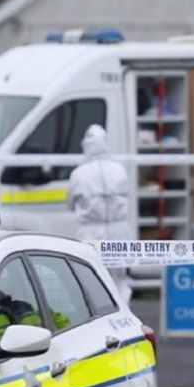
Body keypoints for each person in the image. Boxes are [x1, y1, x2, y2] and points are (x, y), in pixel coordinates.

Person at [68, 124, 132, 304]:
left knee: (93, 279)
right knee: (120, 280)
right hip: (120, 231)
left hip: (90, 232)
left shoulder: (78, 174)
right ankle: (124, 317)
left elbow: (70, 203)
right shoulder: (119, 169)